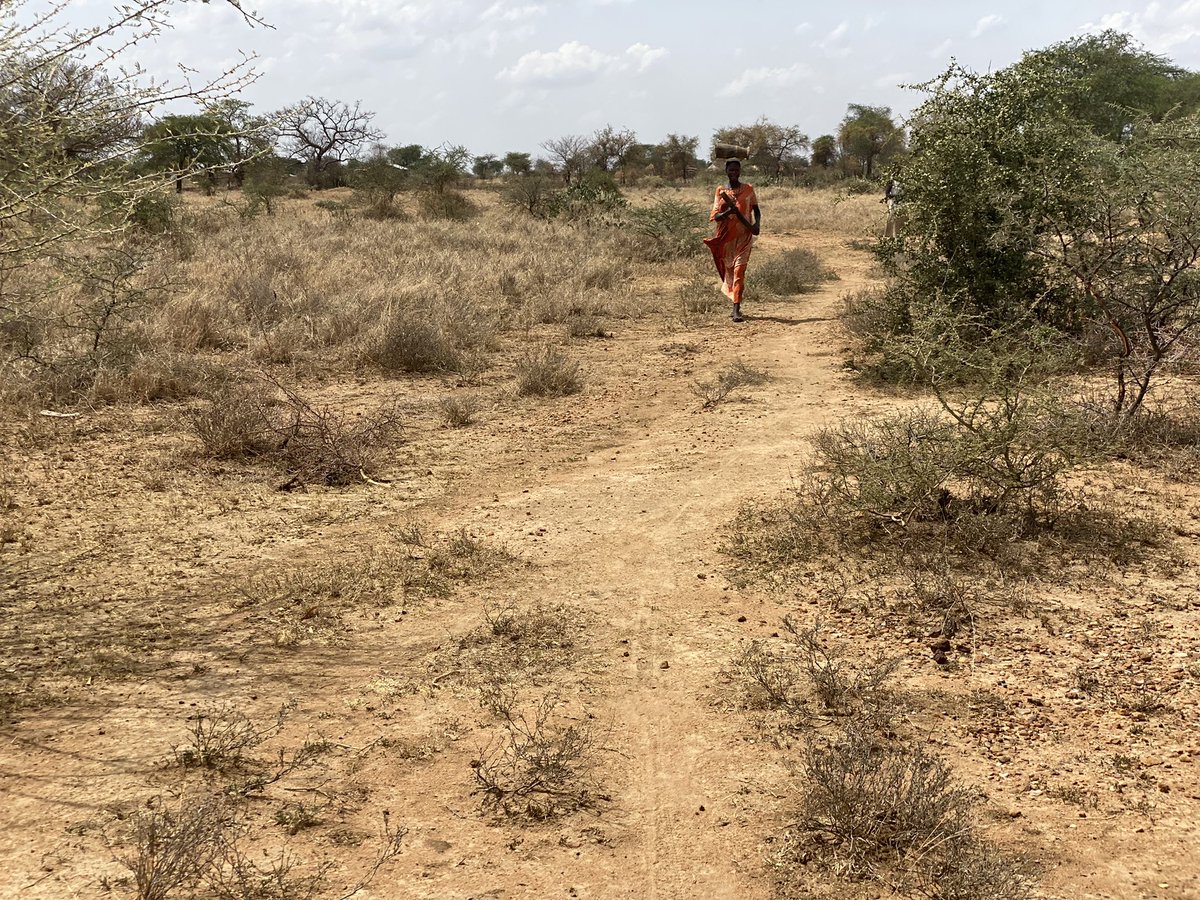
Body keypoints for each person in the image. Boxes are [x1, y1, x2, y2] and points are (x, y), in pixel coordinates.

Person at [704, 158, 761, 322]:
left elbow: (756, 210)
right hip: (727, 240)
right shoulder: (721, 191)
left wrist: (757, 224)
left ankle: (736, 308)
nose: (734, 173)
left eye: (737, 170)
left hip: (744, 238)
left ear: (740, 171)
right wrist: (730, 212)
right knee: (730, 271)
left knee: (739, 272)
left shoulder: (748, 189)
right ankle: (735, 303)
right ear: (726, 172)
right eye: (731, 170)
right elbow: (716, 216)